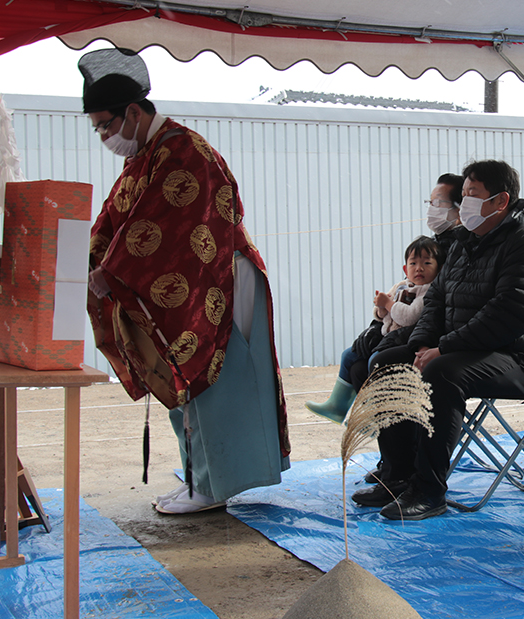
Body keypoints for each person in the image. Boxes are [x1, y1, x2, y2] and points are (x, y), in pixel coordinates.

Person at [80, 47, 290, 515]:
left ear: (133, 112)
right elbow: (118, 221)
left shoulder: (183, 150)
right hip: (188, 281)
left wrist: (111, 271)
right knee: (180, 384)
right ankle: (200, 477)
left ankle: (214, 486)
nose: (103, 136)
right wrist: (93, 262)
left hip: (218, 281)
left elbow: (169, 226)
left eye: (105, 126)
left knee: (213, 385)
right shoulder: (145, 155)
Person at [352, 160, 524, 520]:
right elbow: (436, 299)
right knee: (385, 362)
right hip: (473, 348)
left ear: (501, 201)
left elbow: (505, 318)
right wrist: (422, 344)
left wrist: (443, 348)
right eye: (463, 195)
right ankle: (398, 476)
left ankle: (429, 489)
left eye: (472, 195)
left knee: (443, 370)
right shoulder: (466, 242)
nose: (464, 203)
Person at [305, 236, 444, 421]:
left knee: (374, 361)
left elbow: (410, 317)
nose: (419, 268)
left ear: (439, 268)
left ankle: (371, 415)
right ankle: (337, 405)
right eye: (413, 263)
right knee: (349, 355)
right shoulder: (401, 286)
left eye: (427, 263)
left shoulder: (427, 291)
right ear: (405, 269)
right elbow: (381, 315)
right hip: (385, 336)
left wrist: (388, 305)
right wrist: (380, 308)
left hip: (404, 341)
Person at [426, 173, 467, 255]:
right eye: (431, 202)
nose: (431, 207)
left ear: (459, 209)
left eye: (437, 202)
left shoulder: (469, 249)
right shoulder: (427, 248)